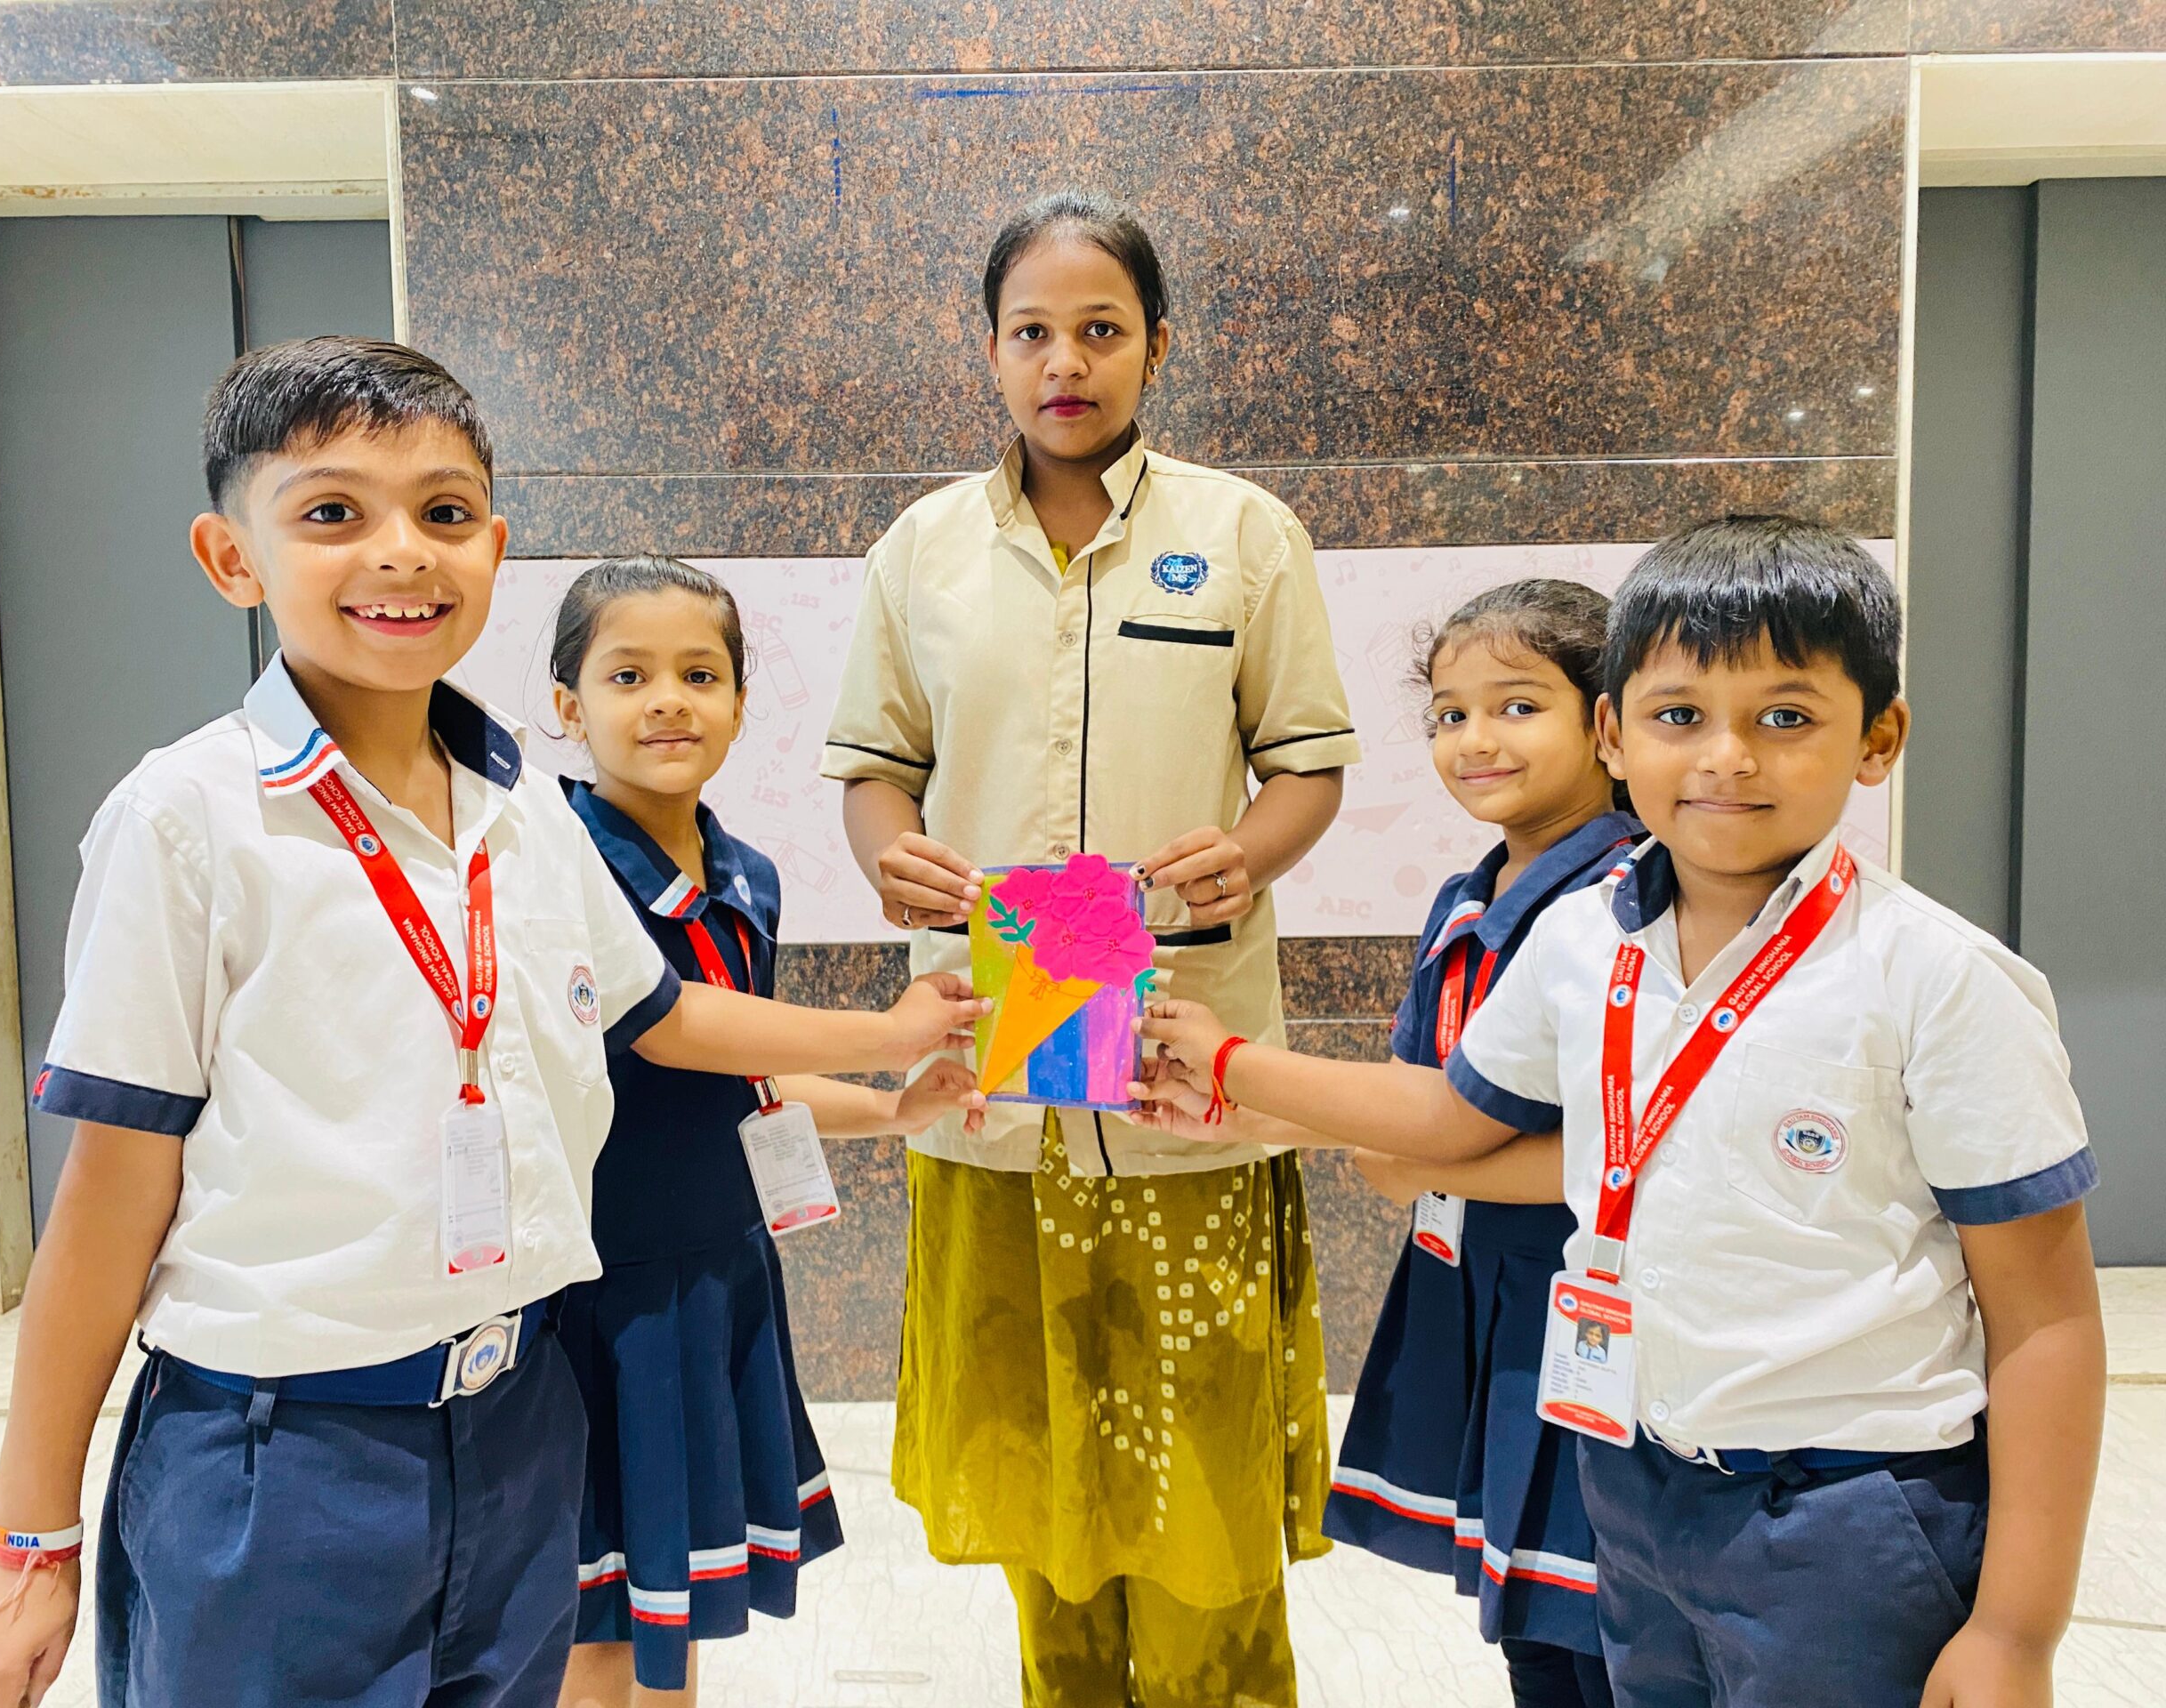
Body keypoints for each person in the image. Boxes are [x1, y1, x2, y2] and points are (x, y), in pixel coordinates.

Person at [0, 336, 986, 1708]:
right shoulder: (187, 820)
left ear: (493, 548)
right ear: (231, 557)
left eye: (442, 512)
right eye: (332, 511)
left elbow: (670, 1018)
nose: (400, 552)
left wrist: (893, 1050)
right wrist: (30, 1532)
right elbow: (109, 1192)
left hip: (521, 1426)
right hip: (282, 1457)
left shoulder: (530, 815)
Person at [1138, 517, 2106, 1708]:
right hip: (1634, 1489)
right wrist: (1231, 1069)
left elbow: (2046, 1318)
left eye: (1786, 717)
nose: (1727, 758)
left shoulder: (1940, 979)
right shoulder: (1583, 939)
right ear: (1617, 733)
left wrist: (2015, 1631)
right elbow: (1447, 1117)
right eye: (1680, 715)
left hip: (1848, 1512)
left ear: (1878, 738)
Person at [821, 191, 1360, 1706]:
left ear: (1157, 346)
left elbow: (1308, 763)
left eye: (1102, 330)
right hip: (1003, 1044)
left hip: (1182, 1051)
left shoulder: (1242, 534)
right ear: (990, 351)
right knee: (1040, 1481)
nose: (1067, 362)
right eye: (1033, 332)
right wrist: (887, 855)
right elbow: (875, 769)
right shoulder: (921, 549)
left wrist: (1251, 850)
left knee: (1202, 1480)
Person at [1131, 579, 1631, 1707]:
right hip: (1483, 1292)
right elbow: (1408, 1104)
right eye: (1450, 715)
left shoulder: (1623, 900)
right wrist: (1237, 1115)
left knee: (1606, 1624)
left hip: (1587, 1307)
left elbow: (1618, 1151)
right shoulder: (1469, 896)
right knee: (1529, 1617)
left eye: (1516, 706)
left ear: (1606, 723)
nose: (1475, 740)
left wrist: (1240, 1067)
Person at [547, 556, 985, 1707]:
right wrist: (885, 1033)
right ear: (566, 706)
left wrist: (893, 1108)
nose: (668, 701)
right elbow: (669, 1030)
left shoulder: (748, 876)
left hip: (717, 1276)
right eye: (627, 675)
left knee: (674, 1603)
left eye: (701, 674)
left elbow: (744, 1076)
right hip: (588, 1297)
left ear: (743, 703)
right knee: (588, 1628)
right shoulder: (554, 862)